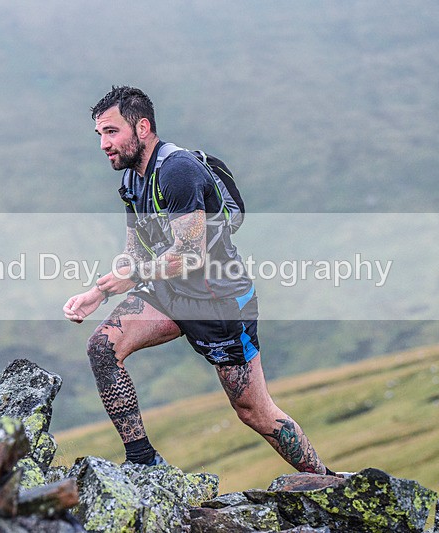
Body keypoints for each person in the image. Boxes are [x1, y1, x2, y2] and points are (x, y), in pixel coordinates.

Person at [63, 85, 336, 475]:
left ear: (142, 128)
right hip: (171, 295)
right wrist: (97, 292)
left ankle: (324, 481)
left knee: (254, 411)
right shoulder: (132, 181)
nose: (104, 144)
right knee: (103, 349)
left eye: (112, 132)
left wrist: (135, 277)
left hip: (219, 302)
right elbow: (137, 253)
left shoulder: (178, 171)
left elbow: (190, 255)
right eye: (100, 135)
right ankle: (143, 461)